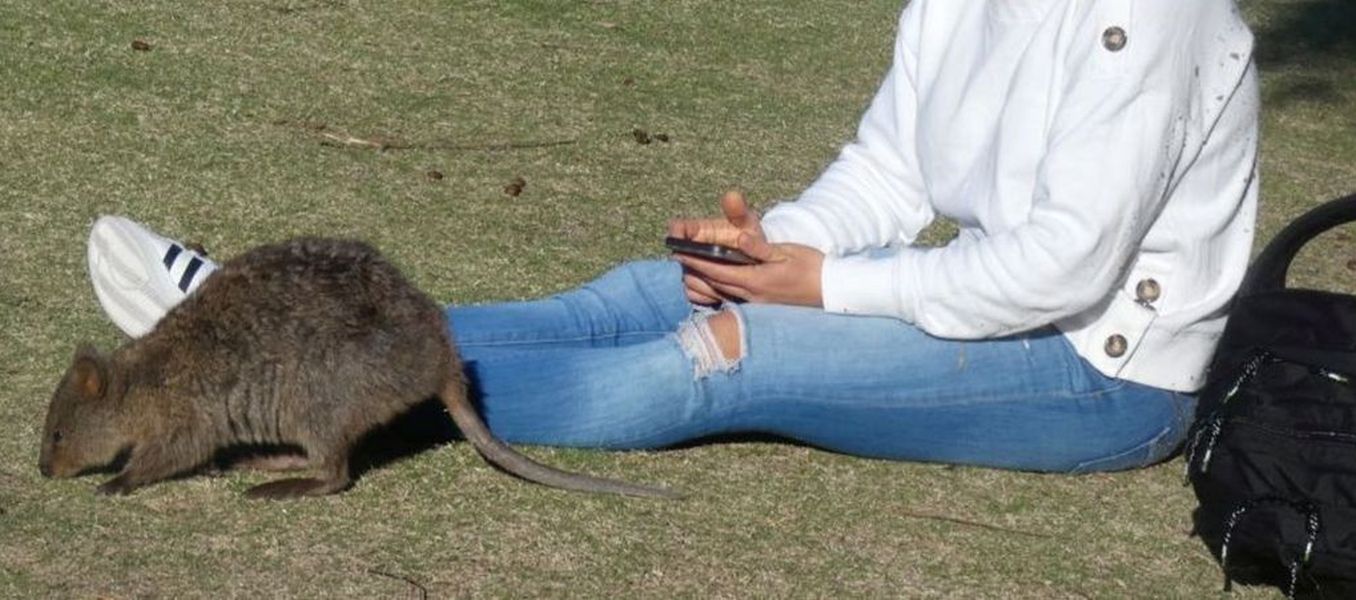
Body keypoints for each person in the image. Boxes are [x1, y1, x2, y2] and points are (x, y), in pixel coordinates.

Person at [87, 0, 1258, 473]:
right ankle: (234, 341)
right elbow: (894, 168)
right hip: (994, 303)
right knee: (635, 296)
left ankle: (309, 404)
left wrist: (819, 289)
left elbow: (1065, 268)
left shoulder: (1145, 15)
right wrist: (775, 250)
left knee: (716, 360)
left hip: (1101, 373)